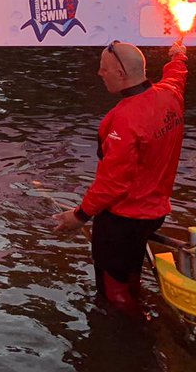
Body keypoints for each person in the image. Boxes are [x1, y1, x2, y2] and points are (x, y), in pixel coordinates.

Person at [53, 39, 188, 316]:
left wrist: (78, 216)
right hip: (154, 213)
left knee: (112, 291)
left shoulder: (124, 119)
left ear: (121, 74)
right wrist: (178, 57)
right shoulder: (170, 95)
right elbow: (176, 76)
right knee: (130, 272)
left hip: (122, 220)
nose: (99, 74)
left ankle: (131, 334)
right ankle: (139, 309)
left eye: (104, 69)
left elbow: (112, 182)